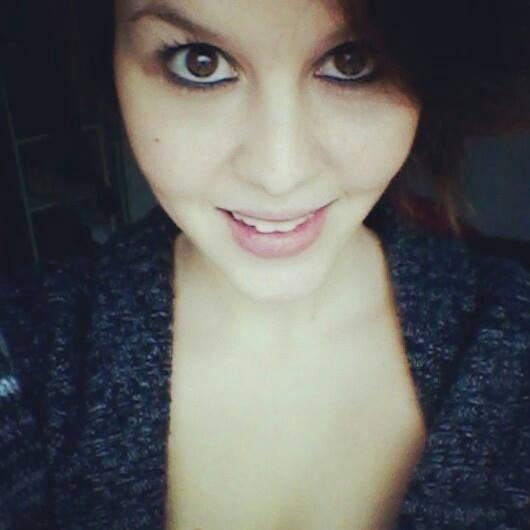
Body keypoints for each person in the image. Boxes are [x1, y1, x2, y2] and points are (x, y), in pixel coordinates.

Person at [1, 0, 529, 528]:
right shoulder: (23, 357)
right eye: (200, 62)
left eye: (352, 61)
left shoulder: (514, 335)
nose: (279, 174)